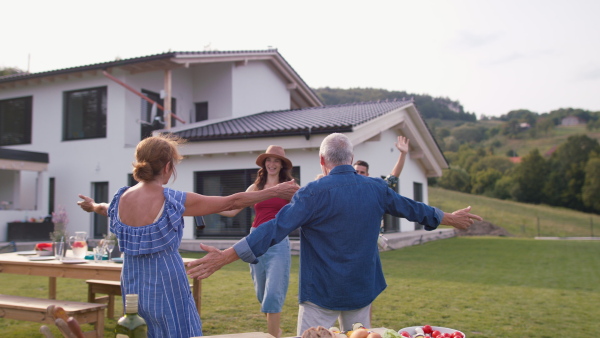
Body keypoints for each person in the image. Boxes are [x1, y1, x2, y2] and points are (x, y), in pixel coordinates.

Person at [186, 132, 482, 336]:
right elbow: (413, 208)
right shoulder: (377, 189)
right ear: (351, 159)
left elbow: (274, 229)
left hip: (321, 294)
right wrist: (449, 218)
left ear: (322, 161)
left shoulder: (312, 193)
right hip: (361, 288)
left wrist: (226, 256)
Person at [76, 134, 298, 338]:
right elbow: (232, 202)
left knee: (139, 330)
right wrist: (275, 191)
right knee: (178, 331)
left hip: (132, 281)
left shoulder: (121, 197)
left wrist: (92, 205)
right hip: (167, 281)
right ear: (167, 166)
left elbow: (105, 208)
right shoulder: (172, 199)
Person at [217, 145, 295, 338]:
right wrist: (205, 207)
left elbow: (305, 210)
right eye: (269, 160)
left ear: (282, 165)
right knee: (262, 294)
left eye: (276, 160)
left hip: (277, 242)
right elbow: (232, 210)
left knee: (273, 292)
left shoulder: (290, 187)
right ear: (264, 163)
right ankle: (275, 330)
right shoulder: (255, 188)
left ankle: (273, 335)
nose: (272, 164)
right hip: (255, 240)